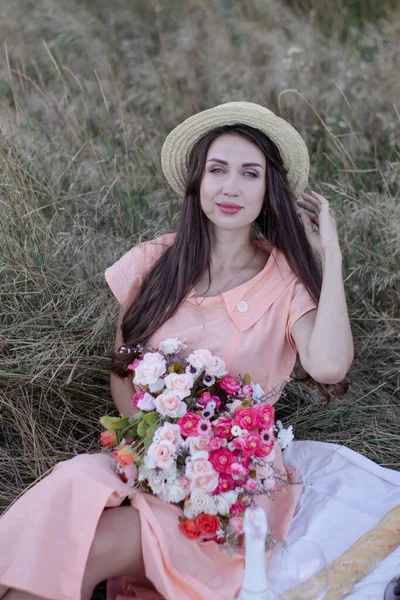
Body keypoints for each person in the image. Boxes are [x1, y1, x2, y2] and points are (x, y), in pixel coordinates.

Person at [0, 101, 399, 600]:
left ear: (268, 190)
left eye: (250, 174)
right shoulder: (156, 262)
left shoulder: (286, 282)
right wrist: (159, 455)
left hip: (231, 482)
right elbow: (123, 371)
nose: (231, 188)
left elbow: (331, 364)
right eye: (218, 170)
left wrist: (331, 256)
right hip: (147, 455)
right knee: (73, 483)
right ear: (198, 181)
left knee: (85, 550)